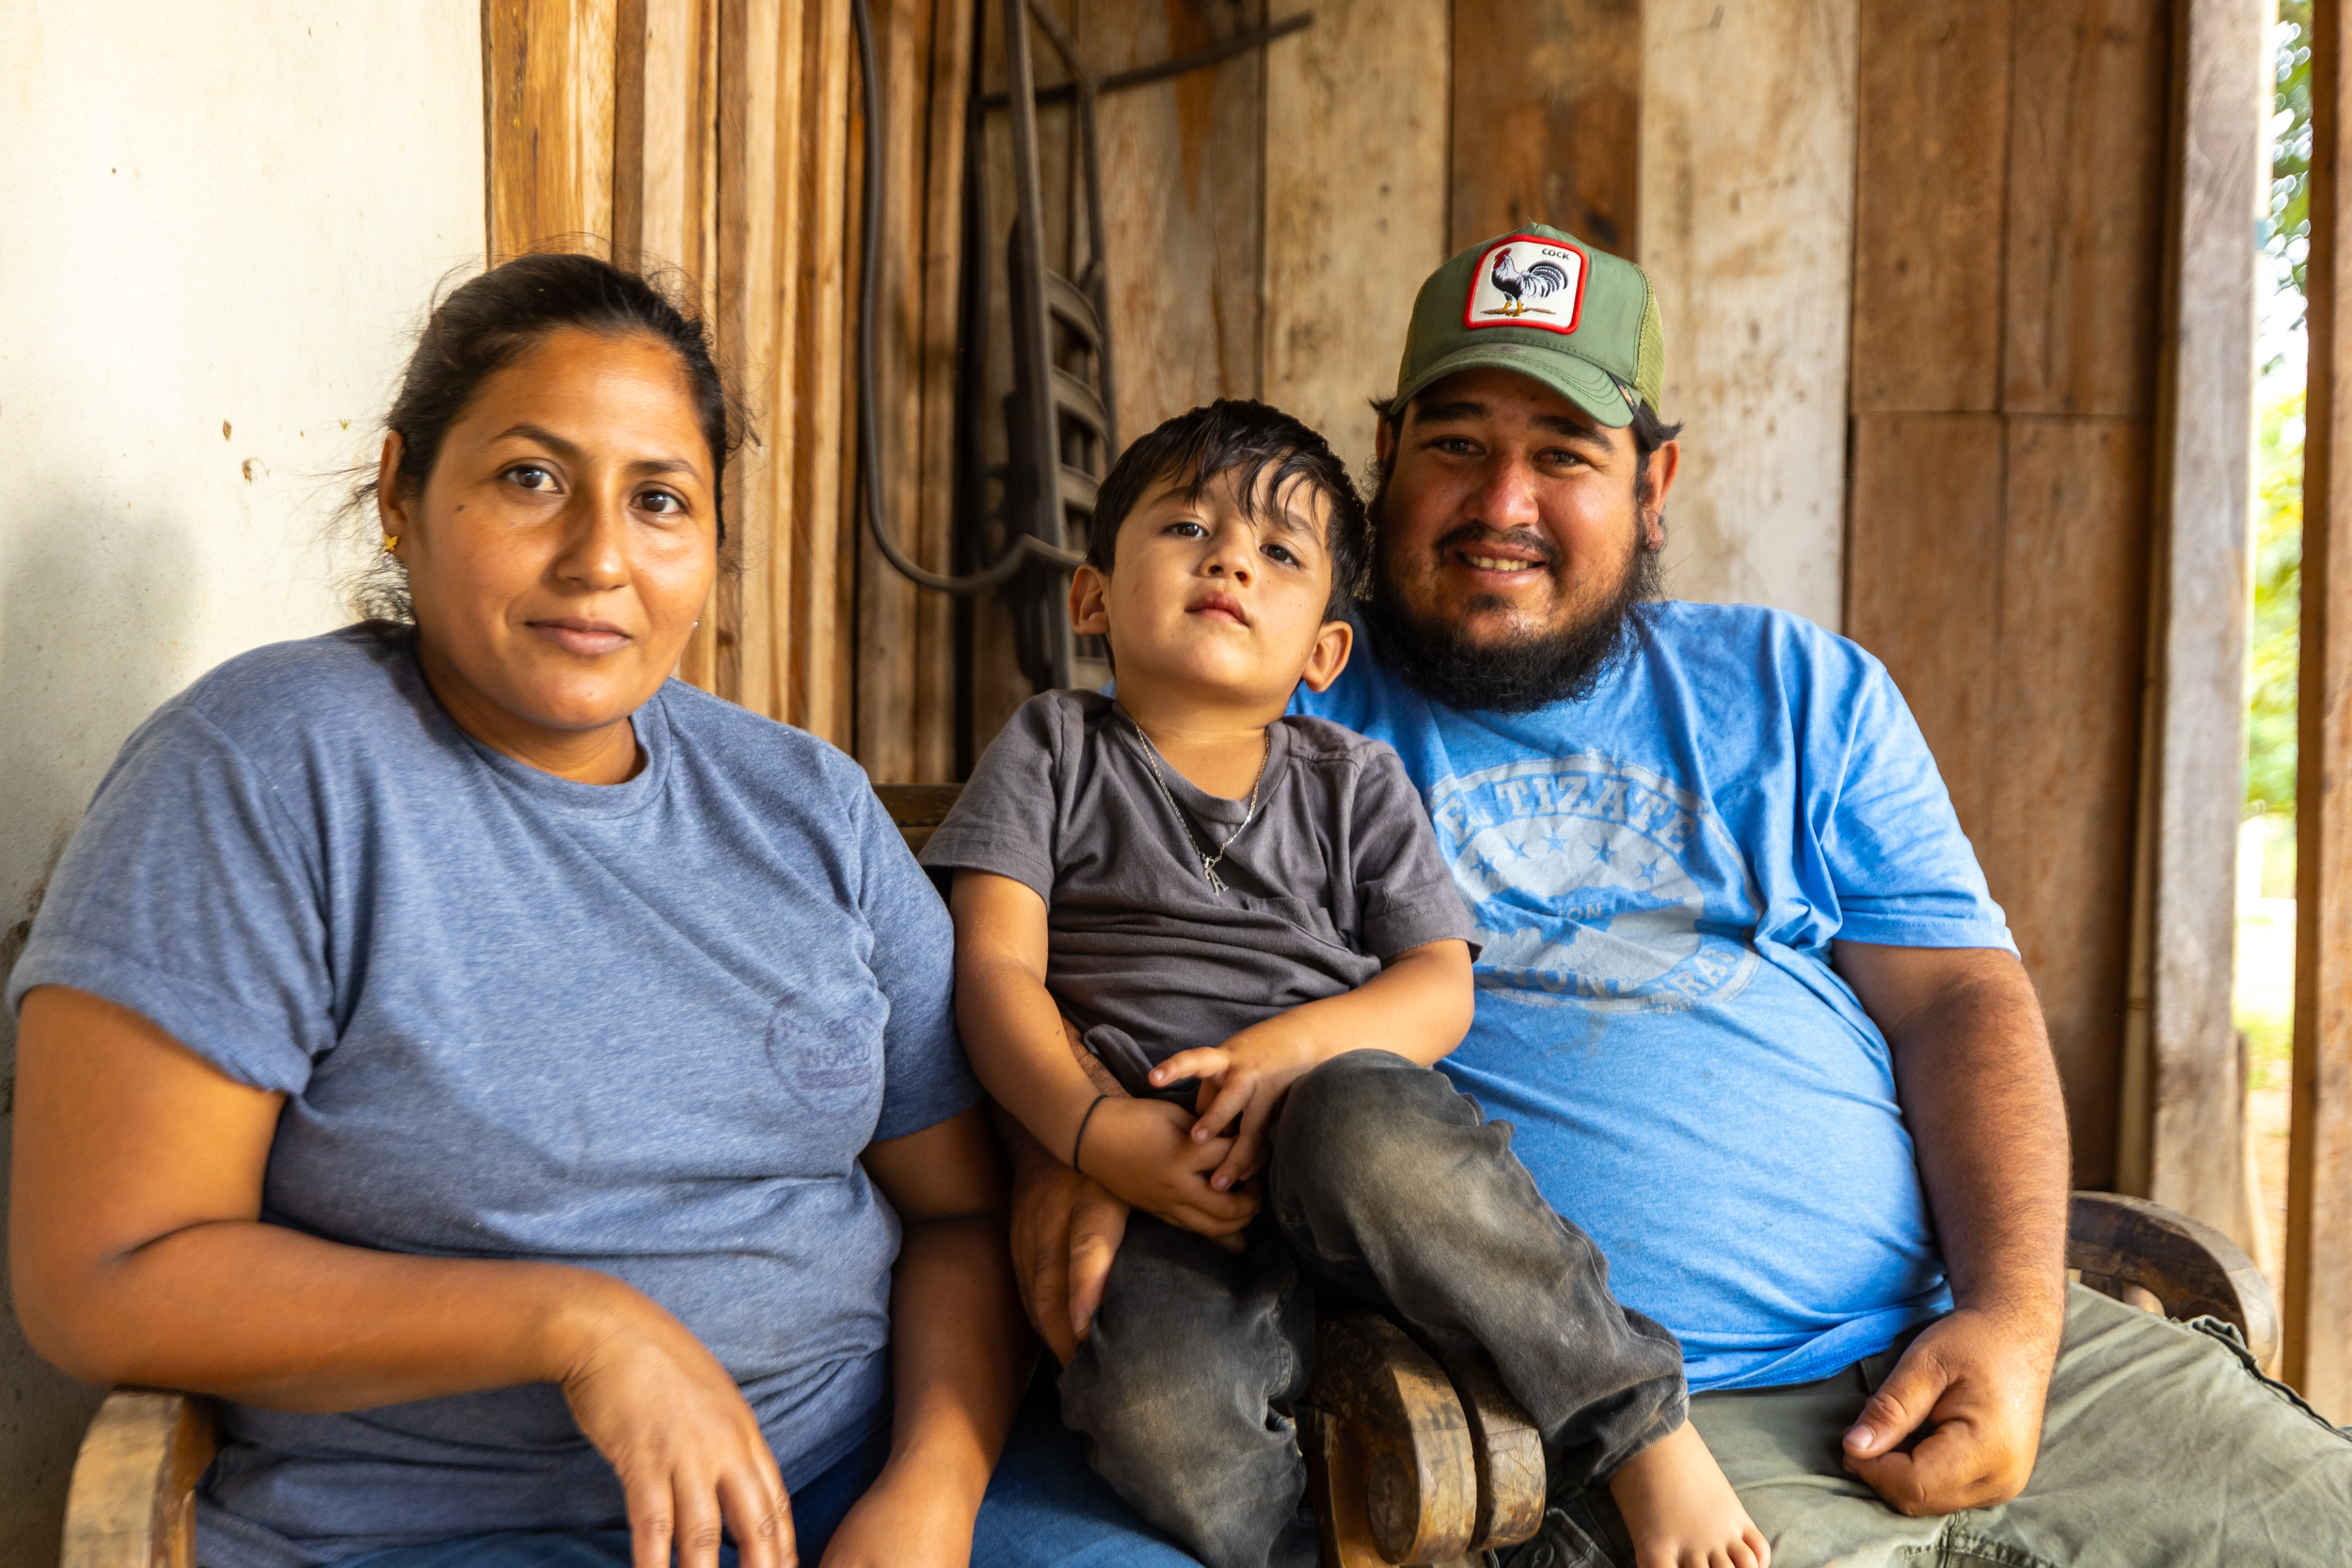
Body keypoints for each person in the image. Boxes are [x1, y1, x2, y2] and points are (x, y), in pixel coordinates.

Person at [1002, 225, 2352, 1566]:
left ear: (1656, 485)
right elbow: (1082, 952)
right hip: (1619, 1431)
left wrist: (2008, 1317)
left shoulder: (1799, 689)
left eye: (1564, 455)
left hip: (1969, 1342)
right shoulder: (1268, 700)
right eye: (1456, 443)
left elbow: (1960, 1000)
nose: (1502, 501)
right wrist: (1078, 1148)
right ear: (1389, 459)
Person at [5, 254, 1032, 1568]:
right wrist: (579, 1323)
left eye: (660, 499)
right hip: (445, 1527)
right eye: (531, 478)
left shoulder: (805, 805)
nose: (598, 556)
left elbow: (959, 1210)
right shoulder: (266, 770)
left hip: (854, 1490)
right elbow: (105, 1272)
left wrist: (931, 1492)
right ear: (400, 494)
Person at [921, 399, 1769, 1568]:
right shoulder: (1053, 751)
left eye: (1278, 553)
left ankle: (1634, 1426)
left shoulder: (1350, 778)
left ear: (1323, 650)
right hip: (1164, 1168)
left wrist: (1291, 1049)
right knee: (1158, 1409)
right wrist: (1093, 1133)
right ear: (1092, 596)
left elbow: (1436, 985)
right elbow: (992, 970)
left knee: (1375, 1132)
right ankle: (1311, 1548)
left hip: (1334, 1119)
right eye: (1184, 528)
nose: (1228, 558)